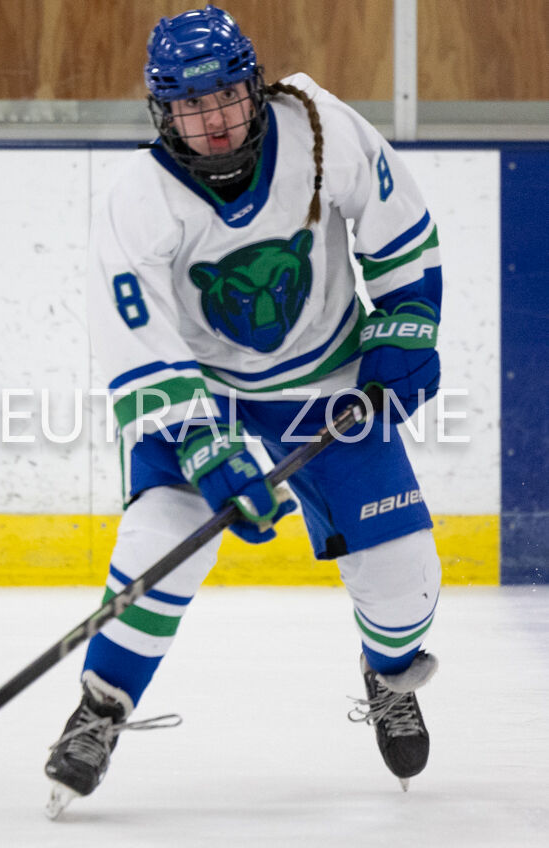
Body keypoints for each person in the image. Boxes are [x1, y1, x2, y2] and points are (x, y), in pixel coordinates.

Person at [45, 4, 442, 817]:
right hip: (206, 395)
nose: (215, 120)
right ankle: (100, 709)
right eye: (191, 105)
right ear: (161, 111)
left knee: (405, 578)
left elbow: (398, 230)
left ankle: (388, 678)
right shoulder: (137, 196)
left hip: (328, 384)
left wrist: (405, 324)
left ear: (253, 89)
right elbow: (133, 335)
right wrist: (200, 441)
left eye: (225, 96)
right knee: (160, 548)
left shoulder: (318, 127)